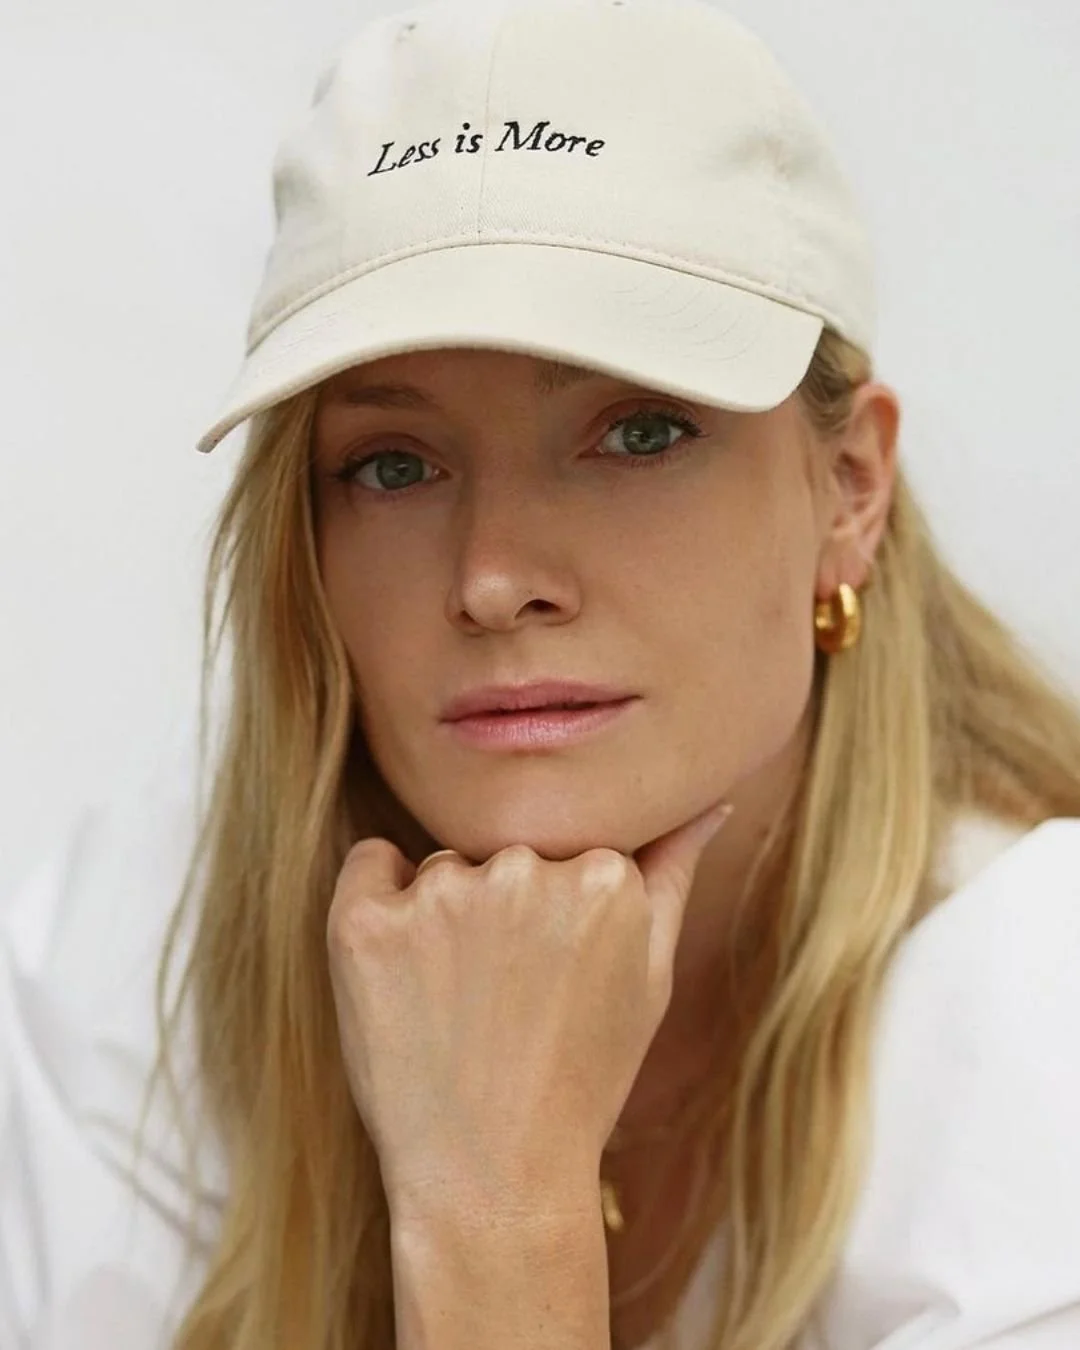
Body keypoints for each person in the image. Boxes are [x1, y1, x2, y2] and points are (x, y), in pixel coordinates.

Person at [2, 0, 1079, 1347]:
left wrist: (497, 1209)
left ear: (850, 488)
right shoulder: (141, 965)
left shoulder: (1040, 1010)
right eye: (394, 463)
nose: (495, 577)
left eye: (638, 432)